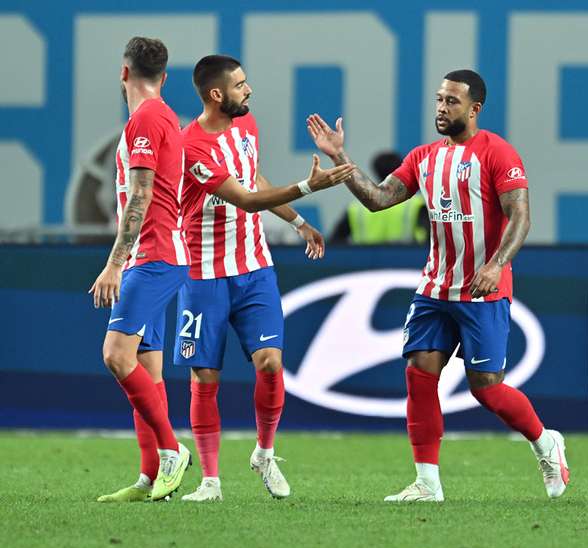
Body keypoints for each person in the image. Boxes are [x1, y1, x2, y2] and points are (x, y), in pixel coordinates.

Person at [307, 69, 569, 503]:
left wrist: (496, 264)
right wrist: (340, 158)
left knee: (486, 387)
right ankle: (427, 482)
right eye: (439, 100)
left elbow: (521, 217)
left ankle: (545, 442)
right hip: (434, 288)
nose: (442, 109)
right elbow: (377, 199)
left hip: (483, 290)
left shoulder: (498, 153)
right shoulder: (424, 157)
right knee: (419, 373)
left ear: (474, 108)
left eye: (451, 101)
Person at [175, 55, 354, 501]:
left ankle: (265, 453)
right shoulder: (191, 146)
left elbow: (253, 177)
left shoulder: (247, 125)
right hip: (203, 274)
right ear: (217, 95)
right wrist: (310, 187)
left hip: (254, 268)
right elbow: (245, 199)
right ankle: (211, 482)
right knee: (205, 377)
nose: (248, 90)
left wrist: (298, 221)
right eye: (240, 85)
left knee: (271, 363)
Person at [91, 37, 192, 502]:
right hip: (154, 254)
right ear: (164, 76)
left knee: (116, 355)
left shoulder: (147, 118)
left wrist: (114, 264)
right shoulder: (162, 115)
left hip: (152, 257)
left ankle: (173, 451)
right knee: (148, 369)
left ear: (123, 73)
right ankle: (151, 478)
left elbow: (142, 195)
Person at [330, 151, 428, 244]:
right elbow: (431, 238)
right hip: (408, 260)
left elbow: (335, 242)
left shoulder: (356, 208)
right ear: (400, 169)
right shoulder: (417, 204)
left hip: (365, 261)